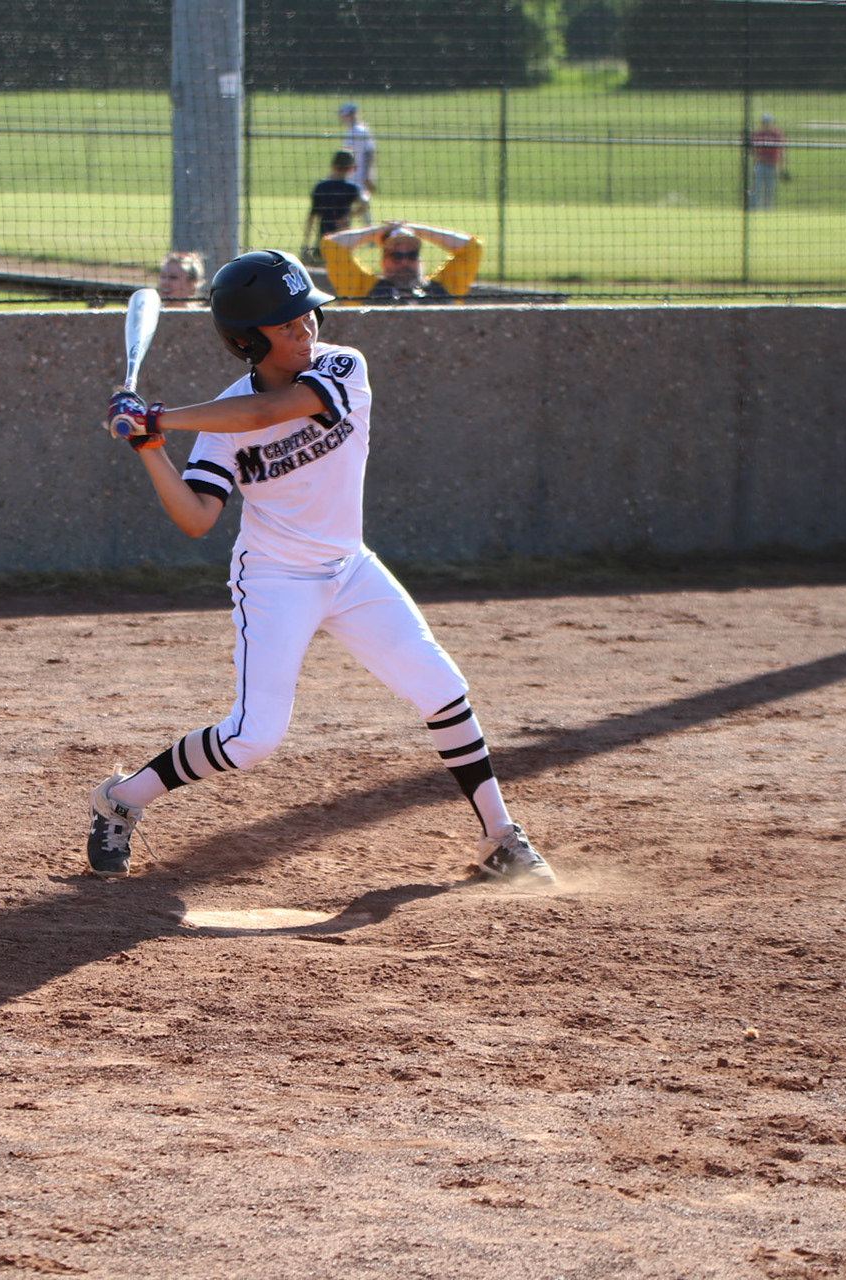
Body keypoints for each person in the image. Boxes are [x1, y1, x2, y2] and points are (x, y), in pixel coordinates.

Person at [90, 250, 553, 888]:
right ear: (249, 340)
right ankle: (124, 797)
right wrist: (149, 447)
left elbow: (268, 413)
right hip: (275, 580)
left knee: (442, 688)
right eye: (287, 325)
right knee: (253, 740)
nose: (306, 329)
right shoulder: (220, 421)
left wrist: (159, 416)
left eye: (308, 314)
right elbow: (197, 516)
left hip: (351, 568)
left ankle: (501, 836)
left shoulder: (341, 366)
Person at [319, 221, 482, 305]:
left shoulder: (446, 287)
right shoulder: (361, 288)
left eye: (412, 255)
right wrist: (380, 231)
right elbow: (333, 246)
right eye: (396, 255)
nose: (404, 261)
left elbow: (472, 248)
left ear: (420, 260)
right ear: (383, 262)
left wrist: (417, 230)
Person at [301, 150, 368, 258]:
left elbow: (312, 217)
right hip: (343, 241)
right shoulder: (352, 187)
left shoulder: (321, 187)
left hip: (323, 240)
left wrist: (305, 244)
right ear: (351, 168)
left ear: (333, 166)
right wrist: (348, 216)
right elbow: (364, 203)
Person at [338, 103, 378, 198]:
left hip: (360, 173)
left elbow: (370, 152)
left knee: (361, 201)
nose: (343, 118)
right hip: (352, 172)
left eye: (345, 115)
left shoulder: (360, 130)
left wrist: (367, 174)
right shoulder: (350, 130)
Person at [749, 113, 787, 211]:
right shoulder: (757, 134)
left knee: (769, 189)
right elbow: (751, 150)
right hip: (760, 164)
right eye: (764, 122)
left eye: (767, 122)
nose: (765, 124)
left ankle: (767, 209)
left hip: (771, 165)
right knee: (756, 187)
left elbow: (781, 151)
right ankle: (753, 208)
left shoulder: (776, 134)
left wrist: (781, 167)